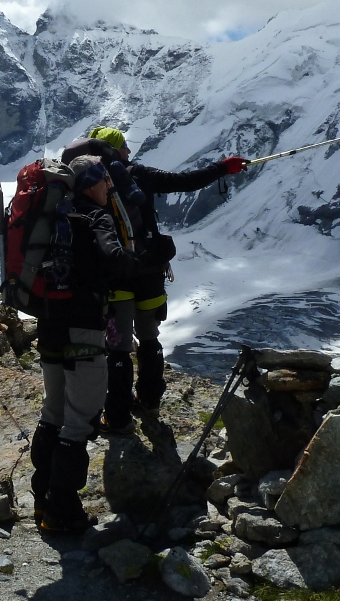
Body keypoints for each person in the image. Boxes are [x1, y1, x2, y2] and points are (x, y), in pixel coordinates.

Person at [61, 128, 247, 435]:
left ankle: (117, 416)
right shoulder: (138, 175)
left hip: (116, 274)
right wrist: (223, 167)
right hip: (150, 271)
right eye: (124, 148)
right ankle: (149, 401)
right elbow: (184, 181)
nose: (129, 154)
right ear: (113, 150)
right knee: (149, 337)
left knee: (118, 347)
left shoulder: (86, 183)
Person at [31, 156, 137, 533]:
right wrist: (142, 260)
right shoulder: (95, 217)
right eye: (105, 181)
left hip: (49, 326)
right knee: (80, 421)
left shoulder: (51, 216)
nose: (109, 187)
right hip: (84, 329)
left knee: (53, 413)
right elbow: (115, 260)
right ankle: (63, 510)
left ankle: (42, 498)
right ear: (92, 182)